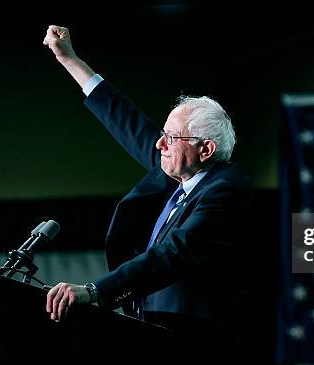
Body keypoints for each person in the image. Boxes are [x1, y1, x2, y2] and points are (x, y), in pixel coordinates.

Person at [42, 25, 252, 356]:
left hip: (194, 342)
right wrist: (69, 59)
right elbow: (125, 120)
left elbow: (174, 253)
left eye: (171, 137)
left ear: (206, 149)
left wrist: (96, 291)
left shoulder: (225, 189)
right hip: (153, 330)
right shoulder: (178, 168)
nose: (159, 143)